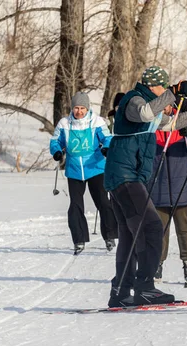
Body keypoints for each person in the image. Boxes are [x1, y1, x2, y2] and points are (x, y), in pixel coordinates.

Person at [104, 66, 187, 306]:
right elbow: (147, 113)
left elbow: (173, 123)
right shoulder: (134, 100)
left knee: (130, 233)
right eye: (163, 87)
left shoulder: (152, 106)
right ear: (154, 86)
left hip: (127, 175)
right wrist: (173, 92)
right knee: (152, 227)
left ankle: (120, 290)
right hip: (125, 175)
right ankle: (146, 286)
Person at [50, 92, 118, 255]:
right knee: (75, 206)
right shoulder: (64, 123)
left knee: (103, 202)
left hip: (95, 167)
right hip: (74, 170)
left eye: (82, 108)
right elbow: (55, 141)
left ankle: (110, 236)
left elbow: (107, 138)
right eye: (76, 108)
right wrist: (57, 151)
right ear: (72, 108)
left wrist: (106, 148)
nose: (79, 111)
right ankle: (79, 239)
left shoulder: (97, 121)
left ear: (87, 108)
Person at [150, 100, 187, 287]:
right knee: (159, 229)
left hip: (183, 183)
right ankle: (156, 264)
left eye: (167, 105)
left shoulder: (184, 118)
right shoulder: (151, 122)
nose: (164, 108)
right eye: (161, 104)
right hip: (157, 184)